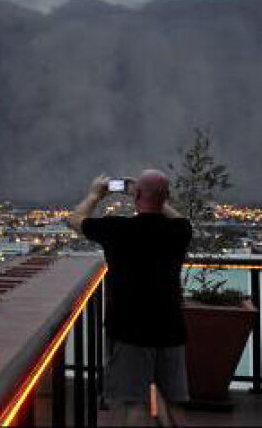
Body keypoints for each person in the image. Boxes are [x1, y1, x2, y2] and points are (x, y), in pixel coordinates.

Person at [69, 170, 192, 425]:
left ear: (136, 196)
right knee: (174, 403)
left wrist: (95, 195)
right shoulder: (180, 230)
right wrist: (155, 197)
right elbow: (179, 217)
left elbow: (75, 220)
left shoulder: (117, 229)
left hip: (129, 331)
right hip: (170, 329)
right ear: (166, 197)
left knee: (134, 404)